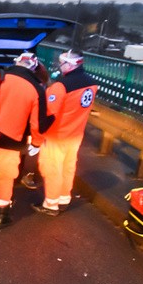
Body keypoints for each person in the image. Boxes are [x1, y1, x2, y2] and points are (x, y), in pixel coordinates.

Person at [0, 52, 54, 229]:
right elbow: (37, 123)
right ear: (34, 68)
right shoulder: (36, 89)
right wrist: (36, 143)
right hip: (13, 142)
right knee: (5, 177)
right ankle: (1, 215)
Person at [32, 52, 98, 216]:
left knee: (52, 168)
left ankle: (51, 204)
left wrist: (38, 135)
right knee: (68, 167)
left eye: (61, 63)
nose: (59, 66)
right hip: (76, 134)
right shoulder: (91, 84)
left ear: (70, 65)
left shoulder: (60, 86)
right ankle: (63, 199)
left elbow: (49, 113)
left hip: (57, 135)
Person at [19, 61, 51, 190]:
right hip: (32, 121)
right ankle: (27, 175)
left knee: (24, 150)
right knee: (29, 151)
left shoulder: (25, 83)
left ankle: (25, 174)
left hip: (26, 121)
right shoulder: (43, 85)